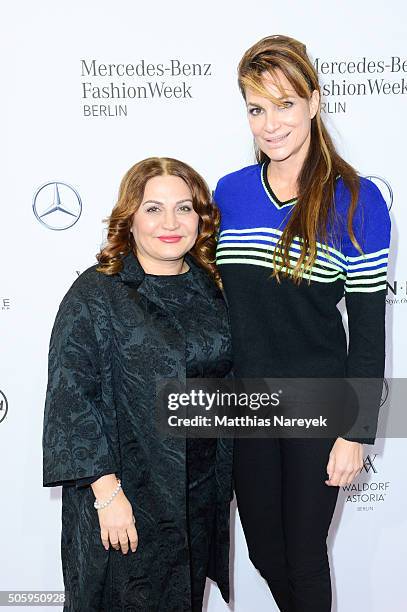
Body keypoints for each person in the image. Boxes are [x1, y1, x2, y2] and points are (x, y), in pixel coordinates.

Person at [213, 35, 391, 612]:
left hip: (318, 401)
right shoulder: (230, 192)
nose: (270, 123)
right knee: (265, 551)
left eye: (284, 103)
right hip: (245, 403)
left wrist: (357, 430)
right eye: (256, 108)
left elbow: (367, 329)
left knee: (305, 554)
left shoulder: (357, 200)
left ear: (314, 102)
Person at [42, 157, 233, 612]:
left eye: (184, 208)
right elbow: (72, 398)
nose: (170, 223)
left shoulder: (212, 287)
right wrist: (107, 495)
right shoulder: (96, 293)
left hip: (196, 497)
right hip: (124, 496)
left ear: (200, 219)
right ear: (130, 217)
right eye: (153, 209)